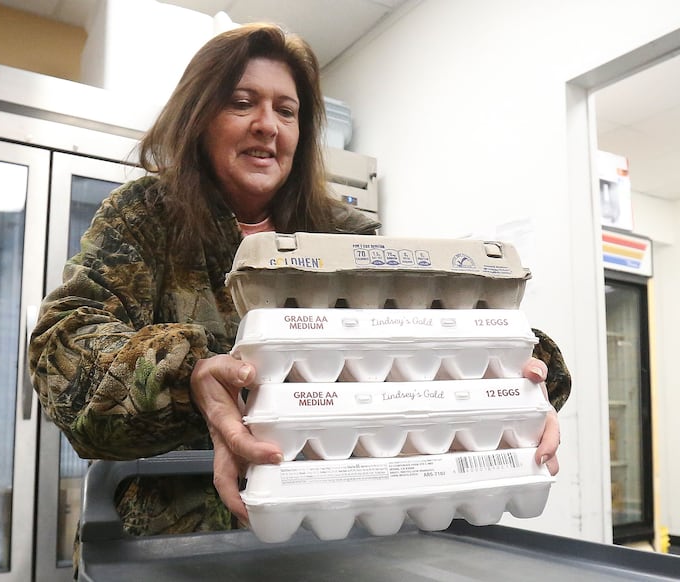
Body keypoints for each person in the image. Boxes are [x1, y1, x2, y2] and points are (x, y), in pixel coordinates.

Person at [28, 21, 570, 558]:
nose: (268, 125)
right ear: (199, 118)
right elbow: (65, 348)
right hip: (175, 541)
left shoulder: (347, 237)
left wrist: (510, 388)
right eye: (242, 103)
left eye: (286, 111)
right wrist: (187, 375)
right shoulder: (146, 218)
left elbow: (421, 340)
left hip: (335, 537)